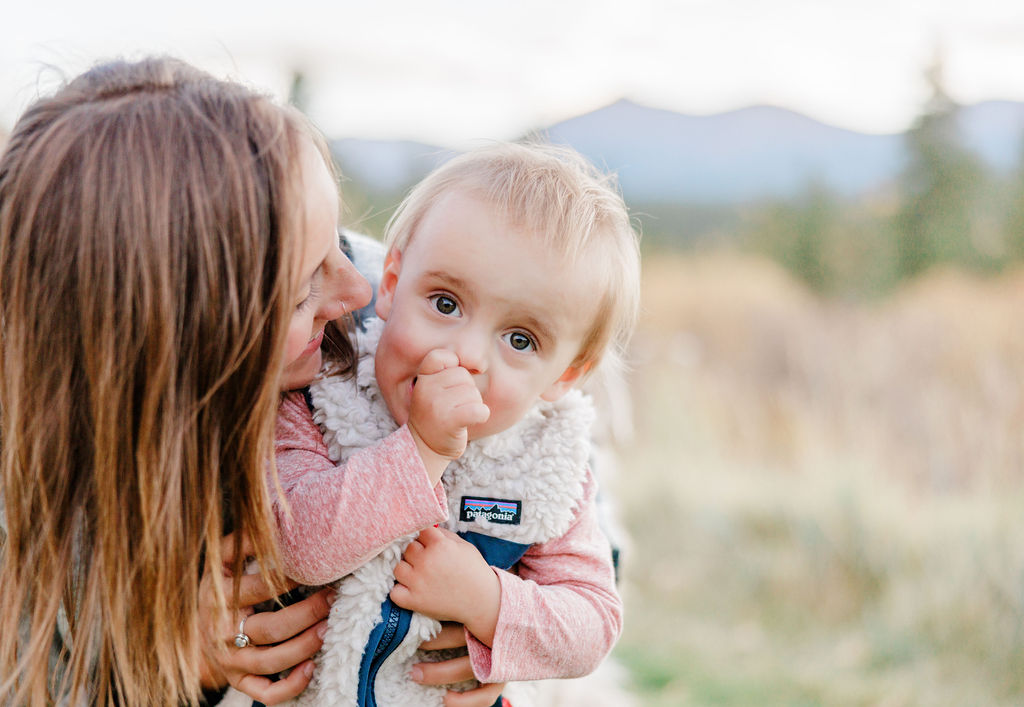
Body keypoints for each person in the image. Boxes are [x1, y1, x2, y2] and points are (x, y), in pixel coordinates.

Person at [0, 56, 497, 707]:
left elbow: (559, 481)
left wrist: (498, 625)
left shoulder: (401, 305)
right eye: (299, 294)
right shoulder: (35, 505)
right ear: (175, 348)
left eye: (339, 247)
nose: (355, 291)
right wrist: (161, 661)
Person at [253, 142, 641, 706]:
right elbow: (297, 543)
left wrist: (488, 601)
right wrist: (421, 452)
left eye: (520, 340)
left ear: (565, 376)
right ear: (390, 283)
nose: (465, 354)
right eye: (445, 303)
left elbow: (592, 623)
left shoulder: (546, 461)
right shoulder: (323, 392)